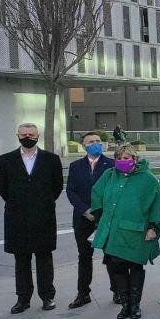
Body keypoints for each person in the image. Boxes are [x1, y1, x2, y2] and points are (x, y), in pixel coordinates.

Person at [90, 144, 160, 319]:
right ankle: (125, 305)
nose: (123, 161)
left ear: (135, 159)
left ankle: (135, 305)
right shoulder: (108, 175)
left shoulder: (147, 179)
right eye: (120, 158)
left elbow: (157, 204)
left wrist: (153, 227)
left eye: (127, 158)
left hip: (137, 231)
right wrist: (100, 218)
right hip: (114, 231)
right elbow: (96, 194)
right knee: (117, 266)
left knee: (135, 266)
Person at [0, 123, 64, 313]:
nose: (28, 137)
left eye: (32, 134)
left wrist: (42, 203)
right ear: (17, 135)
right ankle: (23, 299)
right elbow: (3, 188)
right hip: (17, 218)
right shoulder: (5, 160)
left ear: (38, 136)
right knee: (21, 260)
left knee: (44, 258)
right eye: (24, 134)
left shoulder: (51, 159)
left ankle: (47, 297)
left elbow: (57, 186)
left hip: (43, 217)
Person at [65, 131, 115, 309]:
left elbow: (115, 190)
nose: (95, 144)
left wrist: (101, 211)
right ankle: (83, 293)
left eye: (98, 141)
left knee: (111, 255)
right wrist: (85, 210)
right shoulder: (75, 166)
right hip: (83, 218)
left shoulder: (112, 164)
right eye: (91, 141)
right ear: (84, 145)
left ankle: (117, 290)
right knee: (84, 257)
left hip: (106, 218)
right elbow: (71, 191)